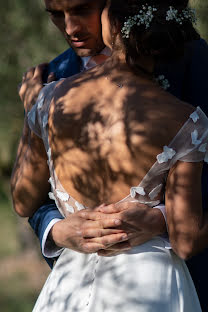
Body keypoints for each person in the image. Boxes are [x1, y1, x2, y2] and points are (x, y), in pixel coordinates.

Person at [11, 0, 208, 310]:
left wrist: (161, 219)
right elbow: (29, 203)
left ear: (110, 11)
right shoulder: (53, 74)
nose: (71, 28)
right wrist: (57, 229)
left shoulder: (198, 62)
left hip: (162, 284)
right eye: (55, 15)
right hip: (79, 281)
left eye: (81, 10)